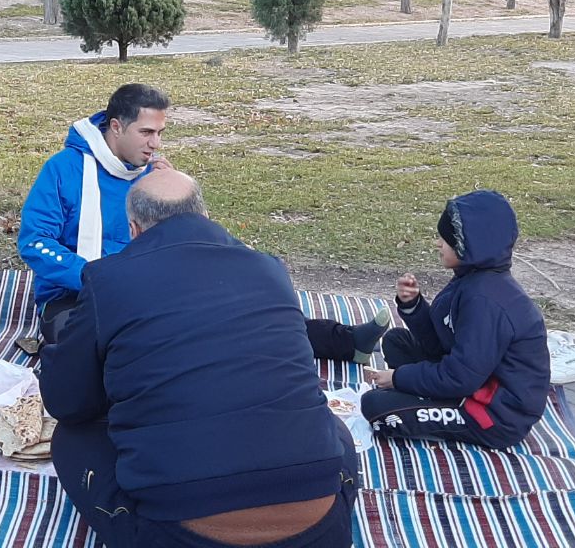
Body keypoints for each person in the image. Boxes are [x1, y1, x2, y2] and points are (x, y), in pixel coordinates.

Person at [39, 169, 358, 548]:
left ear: (134, 229)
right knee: (334, 429)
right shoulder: (269, 268)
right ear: (205, 215)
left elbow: (68, 403)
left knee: (71, 438)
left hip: (177, 534)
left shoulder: (107, 279)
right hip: (321, 530)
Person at [307, 190, 549, 449]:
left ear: (467, 246)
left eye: (445, 239)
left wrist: (398, 378)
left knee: (375, 407)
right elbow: (442, 344)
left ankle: (429, 406)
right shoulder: (471, 280)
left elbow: (460, 377)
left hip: (493, 415)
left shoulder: (486, 302)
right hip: (471, 382)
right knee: (396, 341)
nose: (437, 244)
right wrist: (414, 307)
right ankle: (424, 400)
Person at [19, 83, 170, 344]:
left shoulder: (155, 174)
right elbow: (34, 242)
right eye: (146, 132)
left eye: (159, 133)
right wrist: (91, 276)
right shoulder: (64, 169)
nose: (155, 143)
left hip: (141, 290)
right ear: (116, 127)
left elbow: (179, 240)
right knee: (94, 342)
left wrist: (172, 194)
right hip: (73, 296)